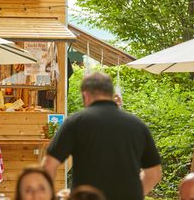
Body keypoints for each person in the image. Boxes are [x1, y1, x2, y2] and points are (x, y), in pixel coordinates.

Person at [42, 72, 162, 200]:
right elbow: (154, 173)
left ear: (85, 95)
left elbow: (49, 165)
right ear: (110, 94)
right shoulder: (138, 125)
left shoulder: (75, 123)